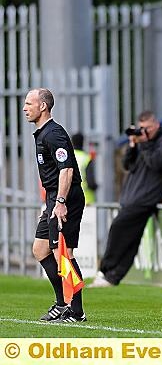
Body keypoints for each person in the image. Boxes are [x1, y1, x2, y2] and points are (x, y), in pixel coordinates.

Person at [89, 110, 162, 287]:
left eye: (147, 128)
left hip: (145, 199)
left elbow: (156, 164)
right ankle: (112, 277)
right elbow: (127, 165)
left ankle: (105, 271)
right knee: (131, 240)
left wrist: (143, 144)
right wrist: (132, 145)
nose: (144, 132)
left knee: (118, 229)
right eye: (141, 128)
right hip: (132, 198)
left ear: (156, 125)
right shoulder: (143, 144)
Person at [23, 88, 87, 322]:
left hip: (65, 198)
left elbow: (67, 169)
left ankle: (76, 311)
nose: (24, 108)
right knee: (40, 250)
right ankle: (62, 304)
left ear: (43, 106)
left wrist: (60, 202)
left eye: (29, 103)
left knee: (65, 254)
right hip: (53, 198)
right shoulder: (42, 133)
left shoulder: (54, 134)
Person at [71, 132, 98, 205]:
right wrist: (95, 186)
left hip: (71, 199)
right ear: (83, 142)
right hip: (86, 199)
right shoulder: (86, 158)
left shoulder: (69, 157)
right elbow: (91, 182)